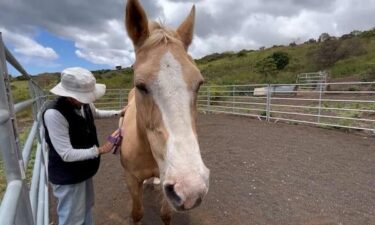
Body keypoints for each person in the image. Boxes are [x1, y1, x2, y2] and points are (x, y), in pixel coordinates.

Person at [42, 67, 125, 225]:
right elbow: (66, 154)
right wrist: (100, 150)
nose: (89, 99)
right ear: (70, 95)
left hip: (82, 171)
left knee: (86, 207)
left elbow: (96, 114)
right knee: (71, 217)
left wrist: (119, 112)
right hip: (67, 176)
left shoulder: (82, 104)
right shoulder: (54, 114)